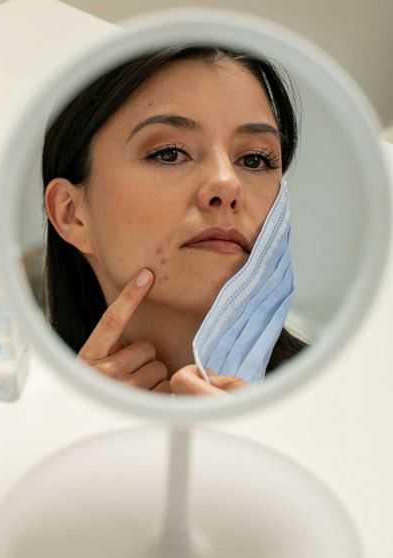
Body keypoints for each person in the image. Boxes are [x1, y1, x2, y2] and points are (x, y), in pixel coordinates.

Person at [42, 45, 307, 396]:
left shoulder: (349, 406)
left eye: (255, 160)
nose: (228, 185)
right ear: (71, 214)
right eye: (169, 153)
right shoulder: (17, 414)